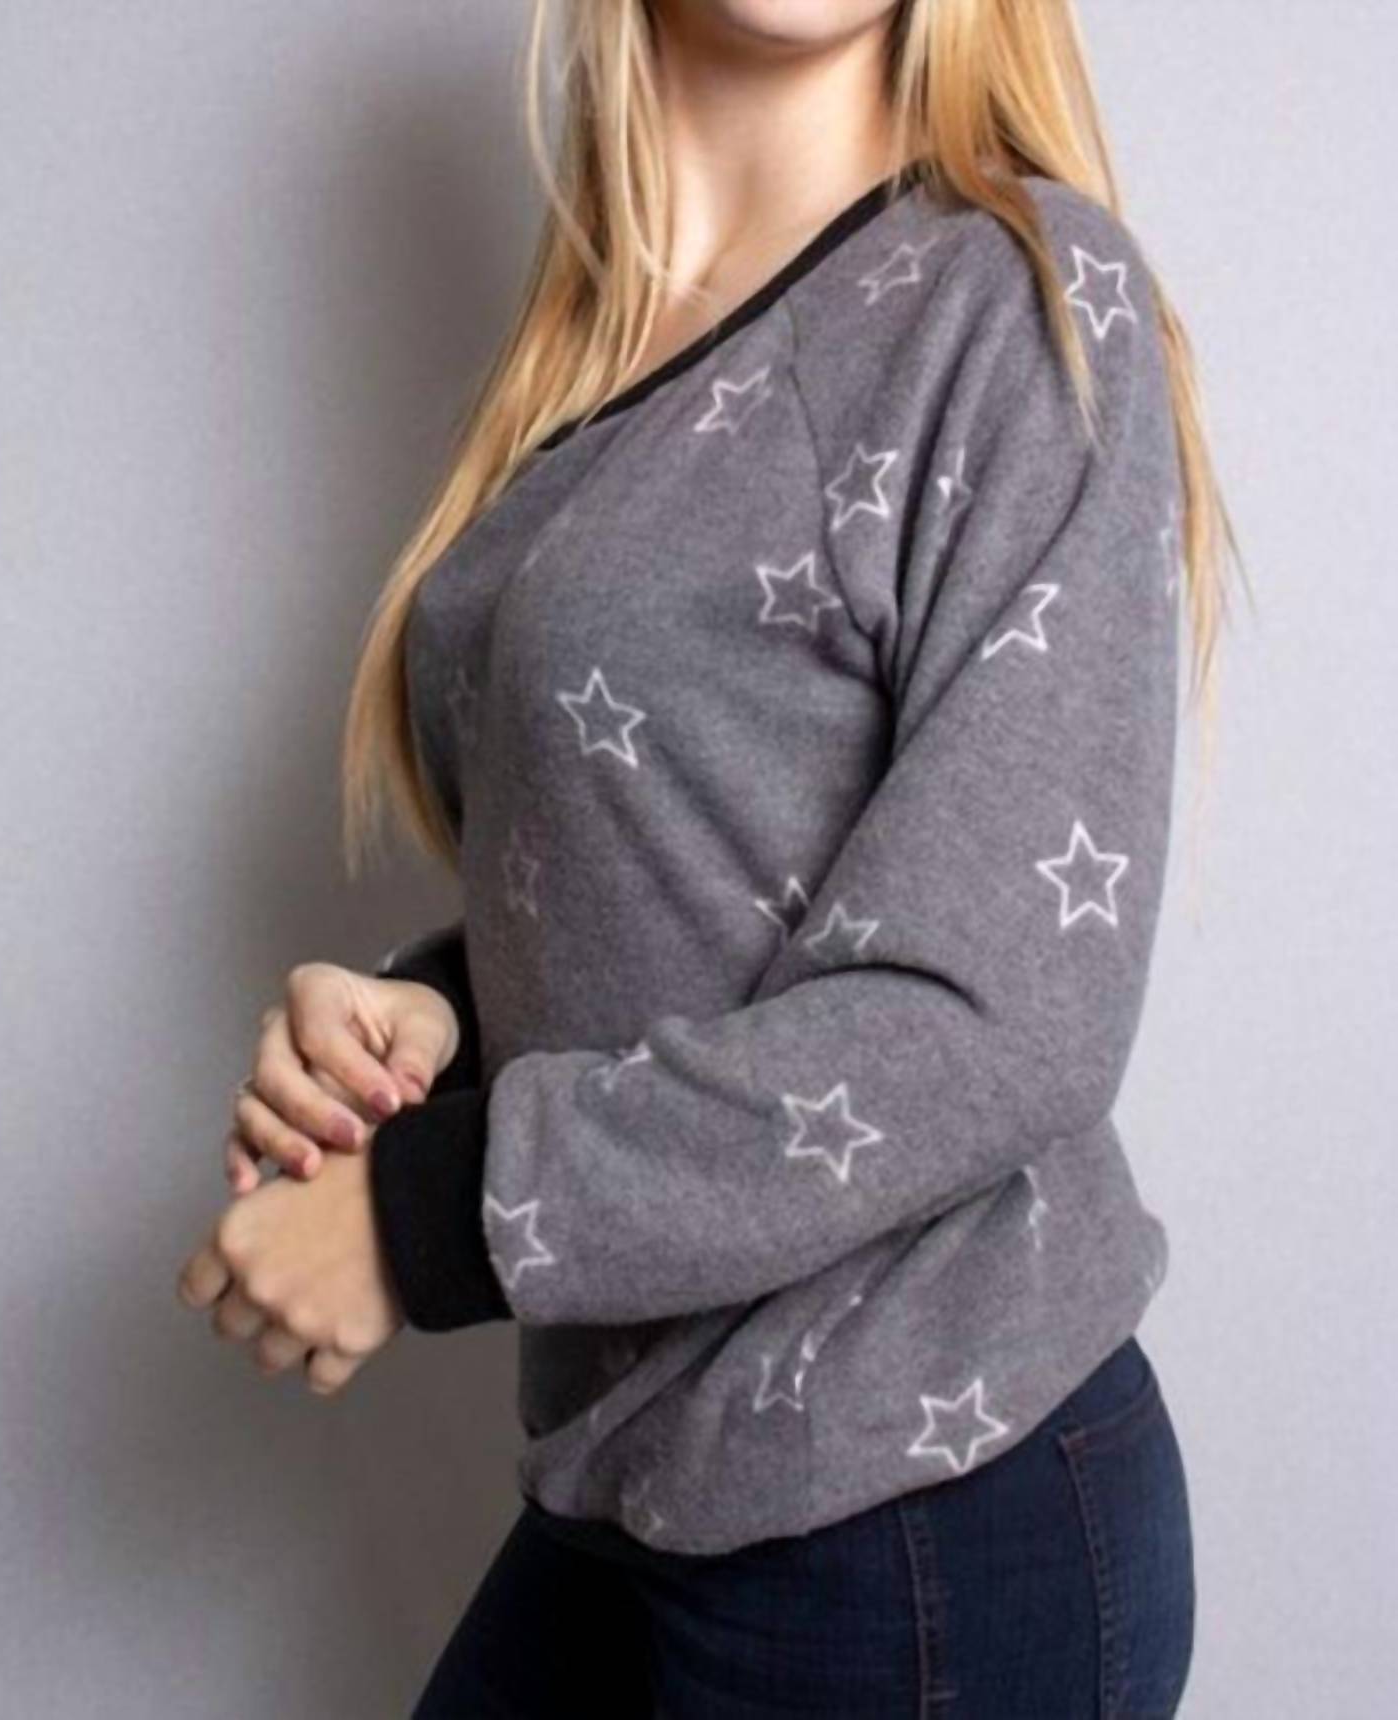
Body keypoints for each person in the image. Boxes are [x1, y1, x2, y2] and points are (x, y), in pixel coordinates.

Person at [177, 1, 1239, 1712]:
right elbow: (712, 868)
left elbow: (997, 1013)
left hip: (922, 1518)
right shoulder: (592, 354)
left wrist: (426, 1215)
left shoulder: (1017, 296)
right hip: (643, 1476)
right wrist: (444, 1021)